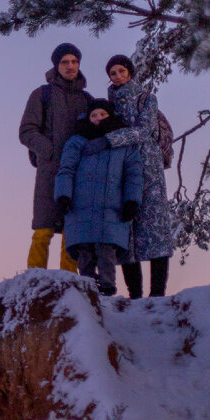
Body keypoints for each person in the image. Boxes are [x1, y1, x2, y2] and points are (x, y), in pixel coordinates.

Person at [81, 54, 174, 297]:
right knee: (126, 231)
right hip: (121, 167)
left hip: (148, 166)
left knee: (155, 229)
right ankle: (134, 295)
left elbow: (144, 130)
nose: (118, 76)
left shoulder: (147, 98)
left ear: (130, 72)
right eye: (113, 73)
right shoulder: (110, 104)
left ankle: (157, 294)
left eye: (121, 71)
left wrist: (109, 140)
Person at [54, 99, 143, 295]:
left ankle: (108, 287)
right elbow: (66, 170)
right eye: (94, 115)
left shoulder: (122, 144)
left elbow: (133, 174)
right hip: (80, 205)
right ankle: (87, 289)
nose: (98, 118)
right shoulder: (76, 142)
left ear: (110, 115)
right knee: (84, 250)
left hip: (111, 206)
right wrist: (63, 195)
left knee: (106, 249)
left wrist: (132, 201)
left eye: (102, 114)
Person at [19, 42, 93, 272]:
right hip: (50, 172)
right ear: (56, 65)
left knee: (72, 230)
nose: (70, 66)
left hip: (78, 174)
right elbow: (27, 131)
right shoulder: (43, 94)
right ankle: (34, 278)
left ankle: (68, 281)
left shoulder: (87, 99)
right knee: (43, 229)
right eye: (65, 62)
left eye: (74, 61)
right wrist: (48, 152)